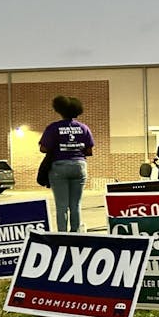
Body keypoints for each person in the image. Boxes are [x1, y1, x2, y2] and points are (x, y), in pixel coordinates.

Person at [39, 96, 93, 232]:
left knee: (61, 205)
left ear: (59, 110)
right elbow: (89, 150)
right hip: (79, 166)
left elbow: (43, 148)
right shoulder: (83, 128)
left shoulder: (53, 128)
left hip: (59, 167)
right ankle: (75, 233)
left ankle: (62, 234)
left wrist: (59, 147)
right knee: (76, 204)